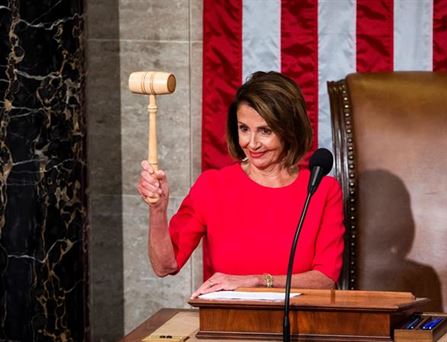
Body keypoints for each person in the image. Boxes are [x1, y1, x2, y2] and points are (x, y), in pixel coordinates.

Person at [136, 71, 345, 298]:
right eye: (244, 128)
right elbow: (165, 266)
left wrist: (256, 281)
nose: (252, 143)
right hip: (228, 323)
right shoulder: (212, 186)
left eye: (265, 131)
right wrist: (158, 210)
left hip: (300, 324)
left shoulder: (323, 190)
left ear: (290, 130)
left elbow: (325, 281)